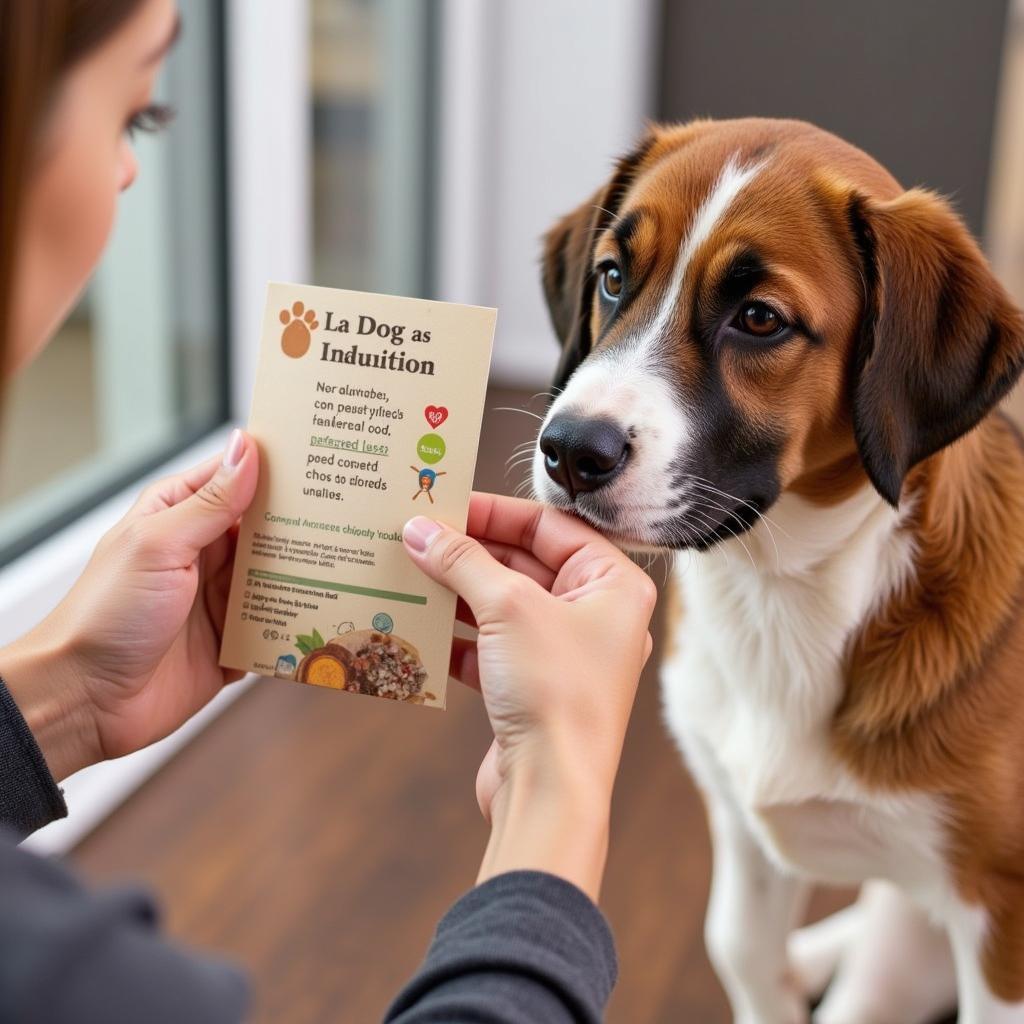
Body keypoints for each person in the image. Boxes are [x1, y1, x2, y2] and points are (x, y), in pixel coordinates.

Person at [0, 1, 657, 1021]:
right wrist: (556, 785)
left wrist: (61, 700)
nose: (130, 173)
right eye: (135, 113)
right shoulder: (78, 984)